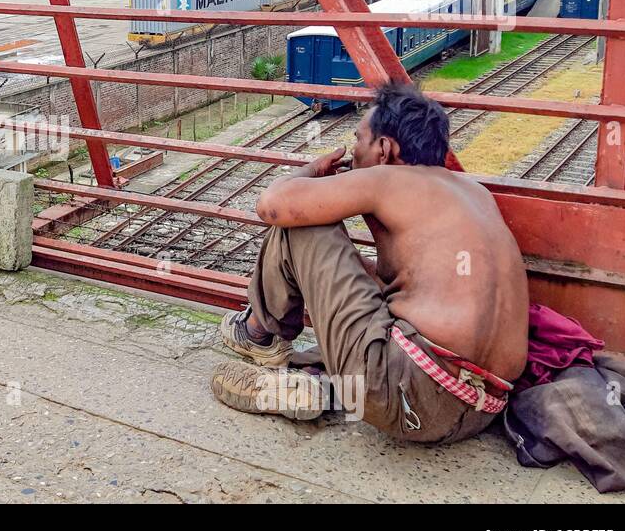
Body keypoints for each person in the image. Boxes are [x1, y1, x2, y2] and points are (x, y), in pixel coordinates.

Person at [210, 83, 529, 444]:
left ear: (385, 148)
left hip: (400, 389)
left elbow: (273, 205)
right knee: (364, 277)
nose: (353, 149)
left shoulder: (389, 178)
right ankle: (325, 390)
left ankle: (257, 336)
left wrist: (312, 171)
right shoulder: (475, 194)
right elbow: (406, 289)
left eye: (358, 138)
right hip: (479, 410)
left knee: (301, 224)